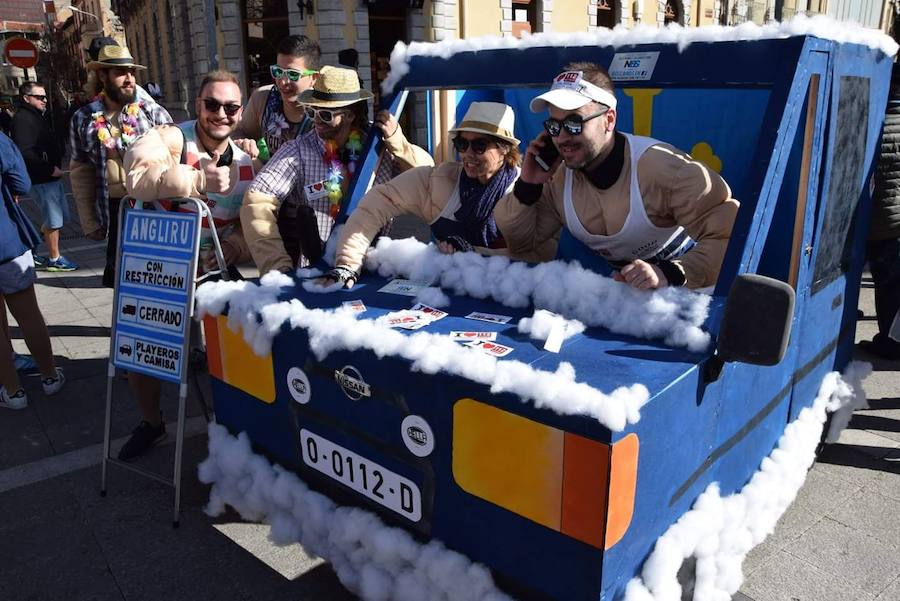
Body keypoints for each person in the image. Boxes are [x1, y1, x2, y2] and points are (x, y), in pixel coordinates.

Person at [495, 63, 739, 290]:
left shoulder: (661, 168)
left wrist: (671, 273)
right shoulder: (557, 179)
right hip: (629, 301)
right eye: (554, 126)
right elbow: (523, 246)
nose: (561, 138)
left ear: (609, 120)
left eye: (573, 123)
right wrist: (527, 187)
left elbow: (731, 237)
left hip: (695, 291)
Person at [117, 70, 258, 461]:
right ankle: (151, 423)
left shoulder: (248, 159)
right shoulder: (170, 137)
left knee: (242, 343)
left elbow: (258, 224)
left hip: (214, 269)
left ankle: (239, 424)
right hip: (161, 265)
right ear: (197, 105)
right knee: (142, 353)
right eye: (211, 104)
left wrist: (236, 246)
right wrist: (196, 179)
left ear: (240, 111)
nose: (220, 114)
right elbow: (137, 178)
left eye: (230, 107)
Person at [321, 101, 554, 287]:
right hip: (447, 293)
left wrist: (472, 253)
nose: (468, 154)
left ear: (505, 149)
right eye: (462, 144)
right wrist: (347, 264)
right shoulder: (439, 181)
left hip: (511, 297)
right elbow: (377, 202)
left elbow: (541, 255)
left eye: (479, 146)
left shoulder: (526, 190)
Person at [241, 65, 434, 275]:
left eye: (324, 114)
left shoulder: (380, 145)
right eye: (310, 111)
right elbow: (256, 201)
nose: (315, 120)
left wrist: (400, 145)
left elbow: (429, 180)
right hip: (319, 273)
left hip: (376, 270)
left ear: (350, 115)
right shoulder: (298, 150)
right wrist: (276, 268)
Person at [69, 44, 173, 288]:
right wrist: (89, 221)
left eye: (131, 72)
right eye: (120, 73)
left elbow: (177, 158)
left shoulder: (151, 112)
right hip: (116, 212)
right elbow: (80, 171)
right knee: (122, 283)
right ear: (103, 75)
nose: (129, 80)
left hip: (154, 209)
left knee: (163, 278)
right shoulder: (83, 117)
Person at [0, 132, 65, 409]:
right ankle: (49, 376)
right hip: (5, 238)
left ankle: (13, 392)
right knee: (28, 314)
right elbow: (22, 183)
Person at [11, 81, 78, 271]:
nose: (45, 100)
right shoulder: (23, 119)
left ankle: (32, 246)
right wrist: (49, 169)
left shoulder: (35, 116)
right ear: (26, 98)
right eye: (39, 97)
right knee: (54, 219)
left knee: (60, 216)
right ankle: (55, 258)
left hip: (50, 177)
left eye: (45, 97)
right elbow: (25, 152)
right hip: (42, 179)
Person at [858, 73, 900, 360]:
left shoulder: (874, 124)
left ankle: (889, 343)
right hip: (895, 222)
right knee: (891, 287)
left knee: (884, 285)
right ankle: (889, 337)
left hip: (874, 221)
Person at [234, 35, 321, 158]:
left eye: (293, 74)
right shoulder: (263, 99)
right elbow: (239, 132)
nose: (283, 82)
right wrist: (243, 142)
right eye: (278, 72)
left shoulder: (324, 113)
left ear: (313, 78)